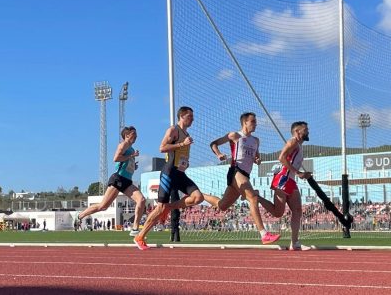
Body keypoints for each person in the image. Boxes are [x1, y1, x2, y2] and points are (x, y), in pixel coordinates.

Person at [203, 112, 280, 245]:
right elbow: (213, 144)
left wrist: (257, 159)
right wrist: (219, 154)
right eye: (253, 121)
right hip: (235, 171)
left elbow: (256, 157)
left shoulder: (256, 140)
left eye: (255, 121)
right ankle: (264, 234)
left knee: (222, 206)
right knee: (253, 198)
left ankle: (200, 194)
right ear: (245, 123)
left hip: (246, 174)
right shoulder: (235, 135)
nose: (256, 124)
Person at [133, 106, 204, 250]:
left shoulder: (186, 133)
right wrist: (181, 144)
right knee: (160, 208)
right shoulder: (173, 130)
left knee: (198, 197)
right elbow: (162, 148)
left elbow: (181, 154)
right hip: (169, 172)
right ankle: (140, 236)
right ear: (182, 116)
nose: (193, 119)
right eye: (190, 116)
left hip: (180, 173)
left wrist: (185, 162)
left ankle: (169, 208)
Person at [76, 126, 145, 236]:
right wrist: (131, 156)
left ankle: (135, 228)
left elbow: (125, 163)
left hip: (127, 181)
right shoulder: (123, 145)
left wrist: (133, 166)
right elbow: (116, 158)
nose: (136, 137)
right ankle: (80, 216)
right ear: (127, 136)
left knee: (141, 200)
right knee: (103, 206)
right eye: (133, 135)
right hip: (118, 179)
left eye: (136, 135)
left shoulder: (131, 149)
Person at [257, 121, 313, 251]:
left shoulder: (299, 145)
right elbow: (281, 158)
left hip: (291, 180)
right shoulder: (292, 142)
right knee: (278, 213)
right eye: (305, 130)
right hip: (283, 178)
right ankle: (257, 197)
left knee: (297, 211)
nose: (308, 131)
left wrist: (302, 174)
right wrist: (298, 172)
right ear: (297, 132)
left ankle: (295, 242)